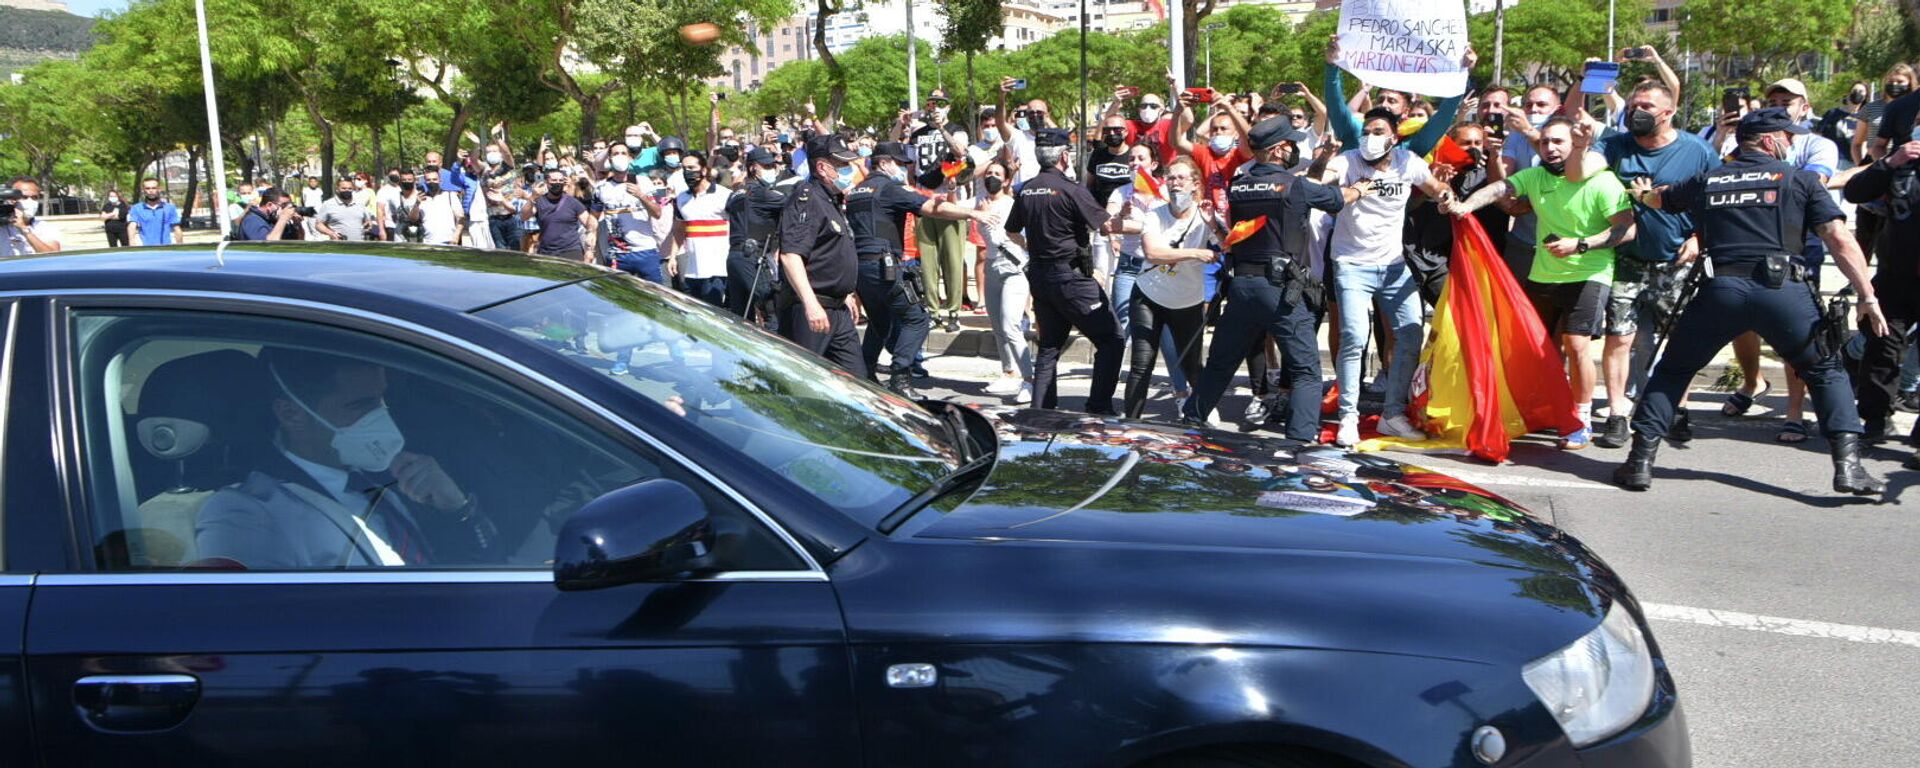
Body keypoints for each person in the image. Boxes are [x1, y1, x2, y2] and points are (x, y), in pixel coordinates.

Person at [1614, 108, 1888, 495]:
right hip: (1784, 292)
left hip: (1720, 290)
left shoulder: (1709, 179)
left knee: (1674, 370)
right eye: (1788, 137)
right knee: (1826, 371)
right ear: (1769, 139)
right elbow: (1839, 239)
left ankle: (1639, 462)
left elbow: (1661, 199)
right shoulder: (1800, 180)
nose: (1792, 143)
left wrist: (1642, 194)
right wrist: (1867, 295)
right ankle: (1849, 468)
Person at [196, 349, 495, 568]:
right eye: (361, 405)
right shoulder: (247, 510)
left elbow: (471, 570)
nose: (380, 415)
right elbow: (247, 623)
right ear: (291, 414)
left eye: (381, 399)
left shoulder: (384, 480)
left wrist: (456, 508)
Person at [1447, 117, 1638, 450]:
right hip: (1543, 273)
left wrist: (1580, 244)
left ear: (1577, 145)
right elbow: (1500, 190)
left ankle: (1581, 419)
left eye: (1558, 142)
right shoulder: (1535, 176)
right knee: (1535, 347)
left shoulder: (1603, 181)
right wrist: (1464, 206)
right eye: (1546, 142)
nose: (1551, 148)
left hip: (1589, 272)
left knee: (1577, 344)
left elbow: (1627, 229)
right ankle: (1541, 409)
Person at [1565, 82, 1721, 449]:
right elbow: (1577, 173)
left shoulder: (1698, 151)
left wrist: (1699, 238)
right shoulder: (1617, 145)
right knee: (1619, 339)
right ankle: (1618, 413)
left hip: (1677, 263)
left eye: (1646, 105)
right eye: (1633, 104)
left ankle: (1677, 409)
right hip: (1626, 259)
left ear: (1667, 113)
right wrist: (1579, 145)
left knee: (1682, 341)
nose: (1637, 111)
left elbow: (1716, 201)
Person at [1192, 118, 1351, 441]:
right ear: (1279, 149)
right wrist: (1361, 188)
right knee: (1306, 372)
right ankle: (1300, 443)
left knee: (1220, 365)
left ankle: (1190, 423)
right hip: (1281, 291)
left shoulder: (1238, 185)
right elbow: (1335, 200)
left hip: (1242, 288)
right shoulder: (1295, 185)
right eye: (1291, 144)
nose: (1294, 148)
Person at [1722, 78, 1846, 444]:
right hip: (1748, 244)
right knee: (1740, 322)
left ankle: (1794, 411)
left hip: (1798, 247)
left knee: (1798, 331)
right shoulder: (1747, 139)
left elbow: (1811, 184)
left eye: (1787, 100)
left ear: (1804, 107)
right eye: (1773, 99)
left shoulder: (1817, 144)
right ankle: (1751, 382)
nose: (1779, 104)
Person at [1325, 108, 1455, 446]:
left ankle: (1392, 415)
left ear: (1394, 137)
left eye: (1379, 130)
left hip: (1394, 266)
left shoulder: (1407, 161)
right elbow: (1322, 177)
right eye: (1367, 130)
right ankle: (1348, 417)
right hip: (1351, 265)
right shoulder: (1348, 160)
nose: (1371, 136)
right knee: (1354, 335)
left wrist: (1444, 195)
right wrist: (1322, 160)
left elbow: (1434, 186)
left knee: (1412, 333)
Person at [1005, 128, 1126, 415]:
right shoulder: (1072, 190)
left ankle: (1041, 413)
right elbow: (1105, 225)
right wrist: (1129, 219)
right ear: (1063, 156)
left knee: (1049, 347)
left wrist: (1033, 247)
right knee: (1112, 339)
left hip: (1040, 277)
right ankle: (1099, 407)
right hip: (1071, 277)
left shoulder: (1027, 190)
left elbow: (1011, 231)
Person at [846, 141, 981, 396]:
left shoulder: (856, 192)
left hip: (860, 268)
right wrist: (972, 214)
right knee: (918, 319)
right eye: (899, 163)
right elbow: (932, 208)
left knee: (879, 322)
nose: (902, 169)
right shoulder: (889, 188)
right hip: (883, 265)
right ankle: (901, 378)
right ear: (884, 163)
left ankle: (865, 372)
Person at [1122, 157, 1220, 420]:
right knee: (1141, 365)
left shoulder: (1205, 214)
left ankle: (1203, 418)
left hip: (1187, 301)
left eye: (1181, 178)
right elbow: (1153, 253)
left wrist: (1213, 225)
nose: (1175, 184)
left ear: (1195, 184)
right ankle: (1129, 425)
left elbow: (1228, 245)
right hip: (1149, 296)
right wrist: (1196, 253)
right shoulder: (1155, 214)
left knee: (1192, 367)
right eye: (1170, 178)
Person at [1847, 124, 1920, 457]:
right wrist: (1890, 162)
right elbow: (1855, 192)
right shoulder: (1902, 162)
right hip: (1896, 275)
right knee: (1882, 345)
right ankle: (1875, 420)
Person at [775, 134, 867, 376]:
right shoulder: (807, 198)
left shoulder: (831, 200)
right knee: (805, 381)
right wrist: (811, 303)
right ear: (822, 167)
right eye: (841, 166)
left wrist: (844, 293)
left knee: (856, 382)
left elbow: (831, 252)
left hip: (837, 308)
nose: (848, 170)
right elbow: (791, 256)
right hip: (813, 308)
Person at [907, 89, 975, 330]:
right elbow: (910, 165)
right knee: (928, 261)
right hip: (924, 200)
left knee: (952, 260)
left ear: (948, 107)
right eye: (931, 103)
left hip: (949, 199)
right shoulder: (918, 134)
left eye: (941, 103)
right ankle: (933, 311)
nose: (935, 108)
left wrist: (942, 130)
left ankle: (953, 312)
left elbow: (960, 153)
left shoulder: (957, 130)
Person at [972, 160, 1033, 404]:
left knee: (1011, 326)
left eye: (997, 174)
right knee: (997, 325)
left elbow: (1010, 238)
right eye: (988, 174)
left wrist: (991, 221)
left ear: (1007, 180)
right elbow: (953, 205)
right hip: (991, 268)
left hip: (1013, 268)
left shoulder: (1012, 205)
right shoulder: (980, 203)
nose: (992, 178)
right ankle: (1008, 372)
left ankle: (1029, 379)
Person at [725, 146, 796, 324]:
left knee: (741, 318)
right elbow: (794, 205)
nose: (772, 170)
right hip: (753, 256)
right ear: (752, 168)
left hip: (735, 257)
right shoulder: (761, 193)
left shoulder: (735, 193)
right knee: (771, 311)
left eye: (772, 166)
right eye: (766, 166)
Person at [600, 147, 672, 284]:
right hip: (618, 254)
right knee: (619, 297)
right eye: (615, 154)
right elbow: (593, 218)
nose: (619, 157)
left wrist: (641, 195)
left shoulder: (643, 182)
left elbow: (657, 212)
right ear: (609, 159)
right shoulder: (601, 187)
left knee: (656, 295)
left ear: (630, 158)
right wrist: (590, 246)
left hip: (645, 251)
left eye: (623, 153)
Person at [1172, 91, 1253, 213]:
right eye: (1214, 129)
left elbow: (1249, 139)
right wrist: (1177, 112)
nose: (1218, 132)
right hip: (1209, 215)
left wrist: (1229, 108)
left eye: (1224, 129)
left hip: (1236, 215)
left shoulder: (1241, 154)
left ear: (1236, 134)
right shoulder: (1204, 152)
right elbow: (1177, 143)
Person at [673, 152, 732, 306]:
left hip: (718, 270)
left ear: (704, 170)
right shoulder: (681, 199)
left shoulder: (724, 195)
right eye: (684, 168)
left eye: (692, 167)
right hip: (692, 271)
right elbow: (680, 229)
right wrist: (673, 256)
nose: (687, 172)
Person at [521, 168, 597, 262]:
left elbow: (591, 224)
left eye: (560, 180)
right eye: (554, 180)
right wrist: (532, 198)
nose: (558, 183)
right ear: (546, 182)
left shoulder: (572, 202)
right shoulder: (539, 201)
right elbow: (524, 216)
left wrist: (590, 250)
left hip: (571, 251)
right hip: (547, 253)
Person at [1, 176, 62, 255]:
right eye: (24, 197)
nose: (30, 201)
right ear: (11, 199)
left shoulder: (45, 227)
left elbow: (53, 255)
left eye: (34, 197)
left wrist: (25, 229)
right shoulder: (2, 227)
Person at [127, 178, 184, 247]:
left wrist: (180, 246)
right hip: (146, 249)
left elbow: (177, 228)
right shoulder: (136, 208)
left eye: (154, 188)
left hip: (166, 248)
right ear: (143, 190)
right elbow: (132, 226)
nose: (151, 191)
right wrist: (132, 243)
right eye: (147, 188)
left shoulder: (169, 208)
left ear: (159, 189)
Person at [416, 169, 466, 246]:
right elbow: (413, 218)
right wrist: (416, 204)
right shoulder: (421, 199)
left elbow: (461, 218)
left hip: (448, 242)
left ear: (440, 181)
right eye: (428, 180)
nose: (432, 182)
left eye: (434, 179)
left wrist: (456, 236)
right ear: (425, 181)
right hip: (427, 243)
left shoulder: (450, 195)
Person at [315, 177, 372, 241]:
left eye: (350, 188)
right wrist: (331, 233)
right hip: (338, 246)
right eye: (344, 188)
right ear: (337, 189)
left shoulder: (360, 204)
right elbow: (318, 224)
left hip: (358, 246)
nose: (347, 190)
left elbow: (367, 221)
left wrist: (368, 224)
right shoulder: (328, 204)